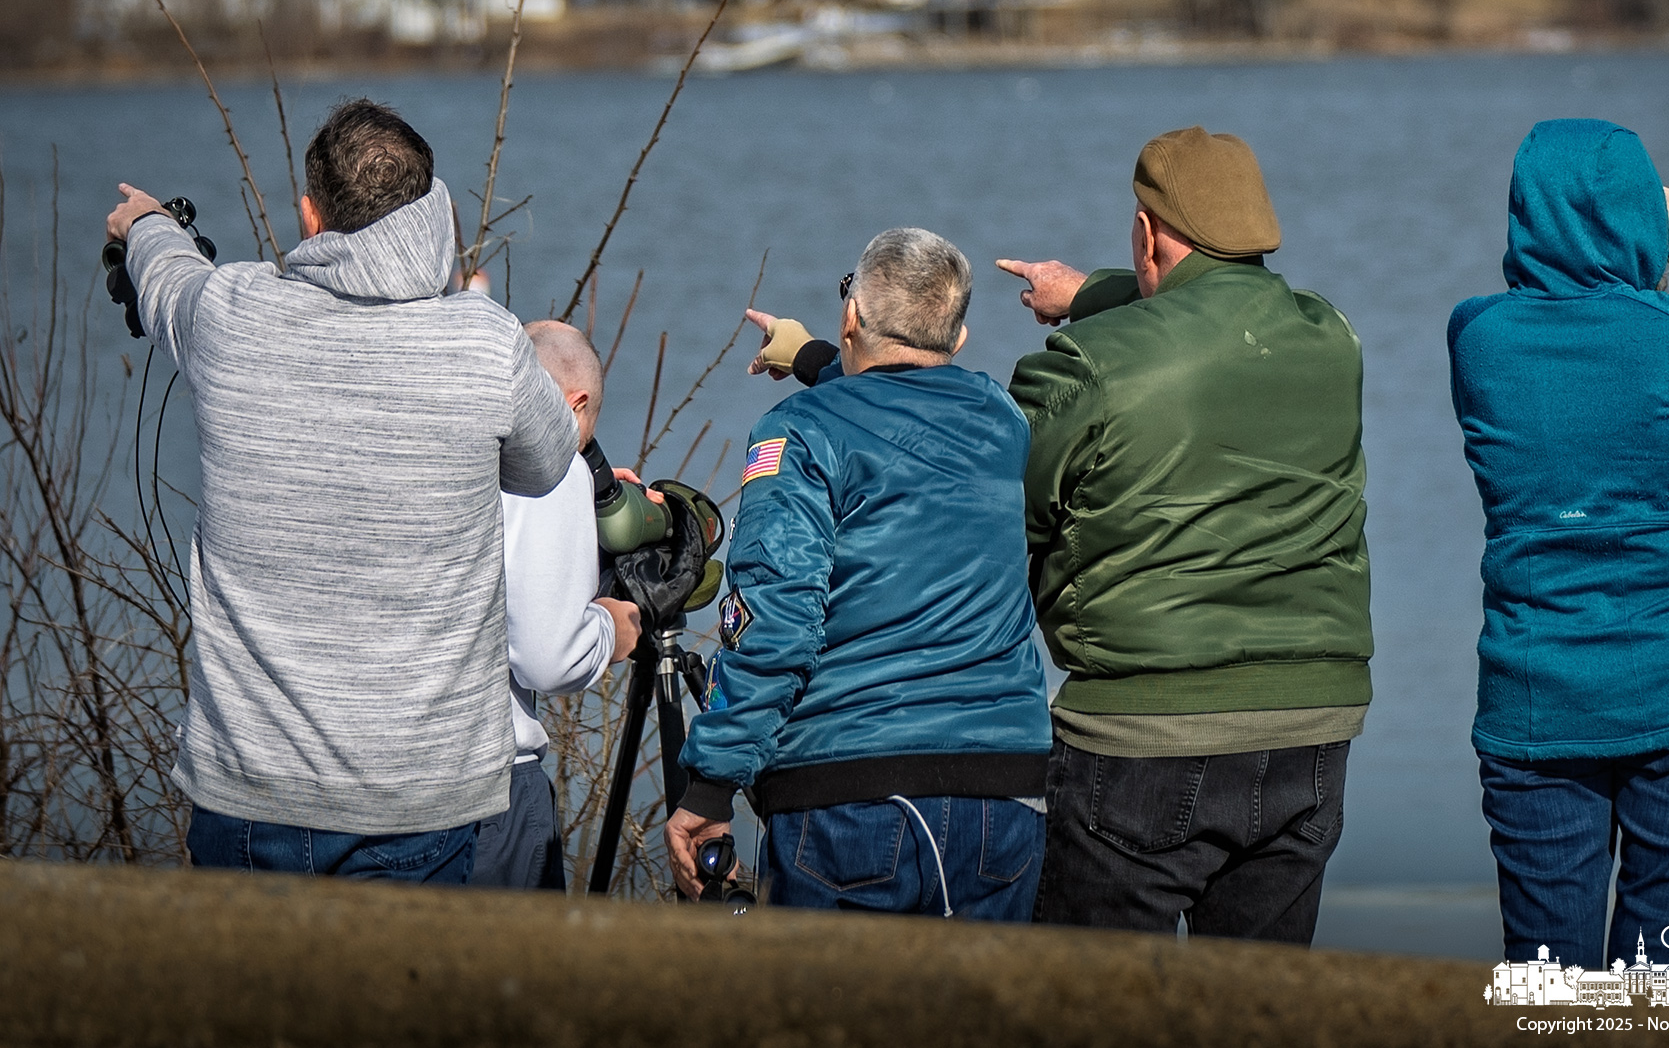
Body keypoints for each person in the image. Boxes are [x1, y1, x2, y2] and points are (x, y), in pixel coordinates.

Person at [104, 98, 579, 882]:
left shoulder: (231, 314)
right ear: (433, 213)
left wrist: (148, 222)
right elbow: (546, 460)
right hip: (421, 798)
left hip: (250, 792)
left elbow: (166, 276)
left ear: (309, 217)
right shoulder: (481, 342)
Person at [997, 126, 1372, 943]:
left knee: (1092, 1016)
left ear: (1145, 233)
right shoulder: (1331, 338)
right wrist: (1096, 291)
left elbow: (1004, 523)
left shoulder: (1084, 365)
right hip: (1311, 725)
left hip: (1142, 732)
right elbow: (1220, 313)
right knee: (1256, 1013)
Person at [1448, 118, 1669, 970]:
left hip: (1540, 699)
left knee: (1550, 989)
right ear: (1639, 214)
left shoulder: (1477, 338)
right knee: (1663, 981)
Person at [663, 228, 1053, 917]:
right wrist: (817, 359)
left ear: (851, 317)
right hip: (1005, 794)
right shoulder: (999, 419)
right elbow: (910, 404)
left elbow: (773, 622)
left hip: (848, 795)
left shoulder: (800, 435)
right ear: (957, 341)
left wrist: (712, 784)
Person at [470, 321, 643, 889]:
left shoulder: (458, 443)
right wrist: (611, 631)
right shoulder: (554, 458)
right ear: (576, 403)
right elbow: (549, 658)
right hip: (496, 788)